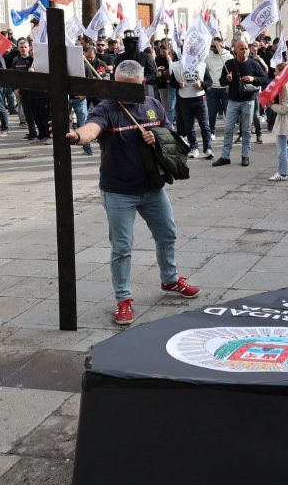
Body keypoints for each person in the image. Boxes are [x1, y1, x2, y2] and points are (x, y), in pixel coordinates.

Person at [65, 59, 199, 326]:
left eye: (132, 89)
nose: (126, 94)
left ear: (142, 84)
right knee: (122, 247)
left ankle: (170, 279)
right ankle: (123, 299)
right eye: (121, 87)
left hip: (153, 187)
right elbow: (92, 129)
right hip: (119, 192)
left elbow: (170, 134)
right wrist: (77, 136)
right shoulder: (106, 108)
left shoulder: (153, 105)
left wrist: (156, 135)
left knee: (167, 234)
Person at [214, 40, 267, 166]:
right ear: (235, 50)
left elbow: (265, 78)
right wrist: (227, 79)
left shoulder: (254, 63)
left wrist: (253, 79)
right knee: (228, 129)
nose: (245, 51)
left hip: (248, 101)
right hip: (233, 101)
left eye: (246, 48)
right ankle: (225, 156)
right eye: (242, 49)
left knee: (247, 130)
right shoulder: (229, 64)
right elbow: (221, 82)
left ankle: (245, 155)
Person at [173, 58, 213, 160]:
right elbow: (171, 83)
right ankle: (194, 148)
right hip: (185, 99)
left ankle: (208, 148)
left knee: (204, 124)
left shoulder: (201, 65)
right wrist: (178, 84)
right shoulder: (176, 66)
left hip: (200, 98)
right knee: (189, 125)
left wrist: (202, 84)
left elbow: (209, 81)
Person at [203, 39, 230, 136]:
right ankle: (211, 132)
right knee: (212, 111)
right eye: (212, 46)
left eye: (215, 46)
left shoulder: (228, 56)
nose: (213, 48)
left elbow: (231, 72)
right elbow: (205, 72)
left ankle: (228, 131)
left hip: (225, 88)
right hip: (213, 88)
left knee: (228, 111)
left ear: (221, 45)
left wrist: (229, 84)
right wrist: (207, 85)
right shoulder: (208, 57)